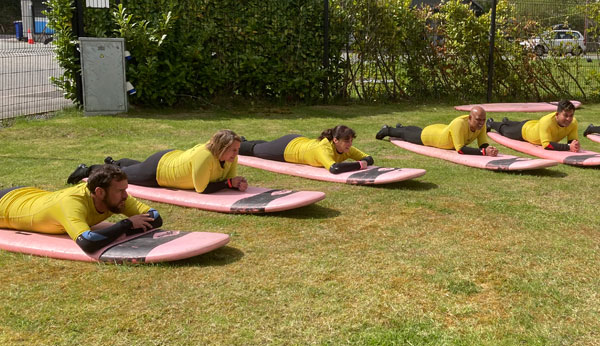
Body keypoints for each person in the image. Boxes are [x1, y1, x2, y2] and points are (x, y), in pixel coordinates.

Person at [0, 165, 162, 253]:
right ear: (99, 192)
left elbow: (155, 217)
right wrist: (126, 225)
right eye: (120, 191)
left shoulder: (117, 198)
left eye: (125, 189)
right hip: (5, 205)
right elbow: (88, 242)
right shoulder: (71, 203)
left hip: (29, 194)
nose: (126, 196)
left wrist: (122, 230)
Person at [67, 129, 248, 194]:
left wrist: (233, 183)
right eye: (233, 150)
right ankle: (87, 169)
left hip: (170, 159)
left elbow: (227, 181)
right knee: (119, 176)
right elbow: (202, 188)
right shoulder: (205, 156)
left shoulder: (231, 156)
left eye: (237, 150)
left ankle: (118, 161)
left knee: (136, 168)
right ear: (222, 148)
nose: (236, 154)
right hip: (159, 171)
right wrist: (230, 183)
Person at [239, 125, 374, 174]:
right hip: (287, 149)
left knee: (266, 146)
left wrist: (362, 162)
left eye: (351, 140)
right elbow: (334, 169)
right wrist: (359, 165)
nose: (350, 144)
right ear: (335, 140)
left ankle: (245, 141)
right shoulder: (324, 149)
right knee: (257, 150)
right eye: (346, 141)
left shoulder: (346, 148)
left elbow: (369, 159)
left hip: (298, 141)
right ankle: (238, 143)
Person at [375, 106, 499, 156]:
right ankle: (388, 130)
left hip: (439, 129)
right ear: (470, 117)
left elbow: (483, 144)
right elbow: (460, 149)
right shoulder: (459, 124)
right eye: (478, 120)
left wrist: (489, 149)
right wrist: (483, 152)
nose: (482, 123)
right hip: (431, 137)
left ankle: (401, 126)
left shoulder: (481, 125)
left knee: (413, 131)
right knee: (406, 135)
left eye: (483, 120)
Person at [486, 99, 580, 152]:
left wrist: (574, 144)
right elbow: (547, 145)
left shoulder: (573, 122)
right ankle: (491, 123)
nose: (568, 119)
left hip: (534, 125)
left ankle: (507, 121)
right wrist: (568, 147)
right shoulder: (547, 122)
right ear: (557, 115)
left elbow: (572, 141)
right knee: (505, 131)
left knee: (514, 124)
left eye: (571, 115)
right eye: (565, 115)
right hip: (524, 131)